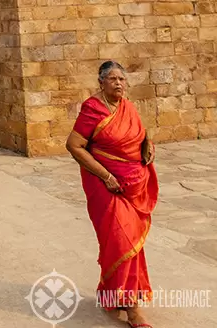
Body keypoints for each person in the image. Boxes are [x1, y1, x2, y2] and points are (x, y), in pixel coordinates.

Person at [66, 61, 158, 327]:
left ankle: (114, 293)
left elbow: (140, 133)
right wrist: (106, 176)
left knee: (127, 244)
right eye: (113, 79)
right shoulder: (92, 109)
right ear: (101, 82)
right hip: (104, 185)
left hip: (132, 185)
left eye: (122, 79)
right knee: (121, 240)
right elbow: (74, 145)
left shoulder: (128, 108)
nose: (119, 83)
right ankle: (132, 310)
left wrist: (147, 145)